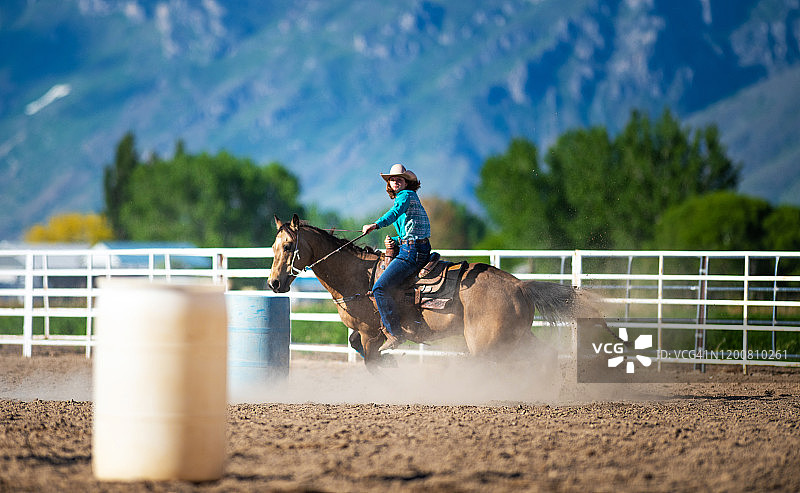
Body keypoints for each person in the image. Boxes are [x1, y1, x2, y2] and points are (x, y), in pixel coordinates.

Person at [362, 163, 431, 351]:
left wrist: (375, 225)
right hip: (415, 246)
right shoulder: (409, 198)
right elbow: (409, 229)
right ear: (389, 184)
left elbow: (394, 214)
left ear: (406, 182)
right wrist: (394, 239)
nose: (396, 181)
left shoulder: (406, 196)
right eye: (392, 179)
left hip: (412, 251)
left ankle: (395, 333)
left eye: (400, 179)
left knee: (379, 288)